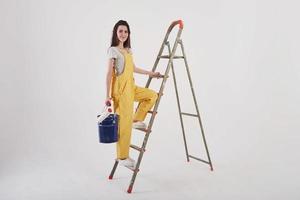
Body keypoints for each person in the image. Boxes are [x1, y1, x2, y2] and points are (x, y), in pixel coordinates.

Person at [105, 20, 162, 168]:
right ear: (116, 33)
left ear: (128, 34)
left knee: (152, 95)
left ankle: (137, 120)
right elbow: (109, 74)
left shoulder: (129, 50)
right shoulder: (113, 50)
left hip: (131, 86)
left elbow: (134, 68)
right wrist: (107, 95)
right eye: (120, 31)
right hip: (120, 90)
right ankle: (122, 156)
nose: (123, 34)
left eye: (125, 31)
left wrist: (151, 73)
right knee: (123, 124)